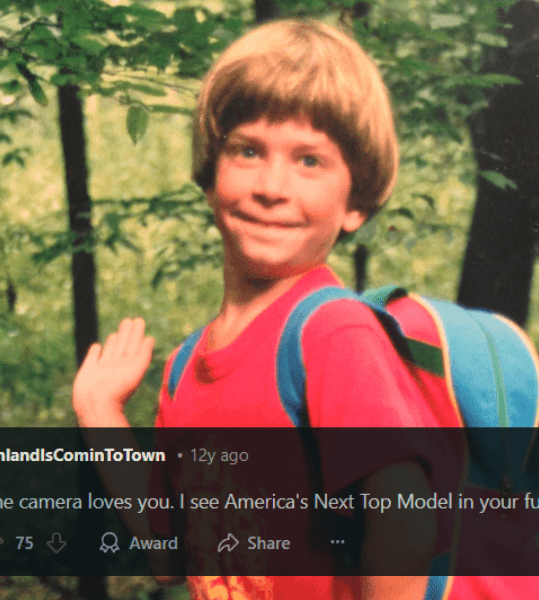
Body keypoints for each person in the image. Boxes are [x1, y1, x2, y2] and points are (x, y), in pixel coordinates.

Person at [73, 18, 464, 600]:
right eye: (247, 150)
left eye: (309, 160)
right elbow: (170, 554)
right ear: (210, 175)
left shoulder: (332, 332)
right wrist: (99, 410)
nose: (272, 186)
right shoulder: (186, 369)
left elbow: (402, 518)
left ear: (355, 202)